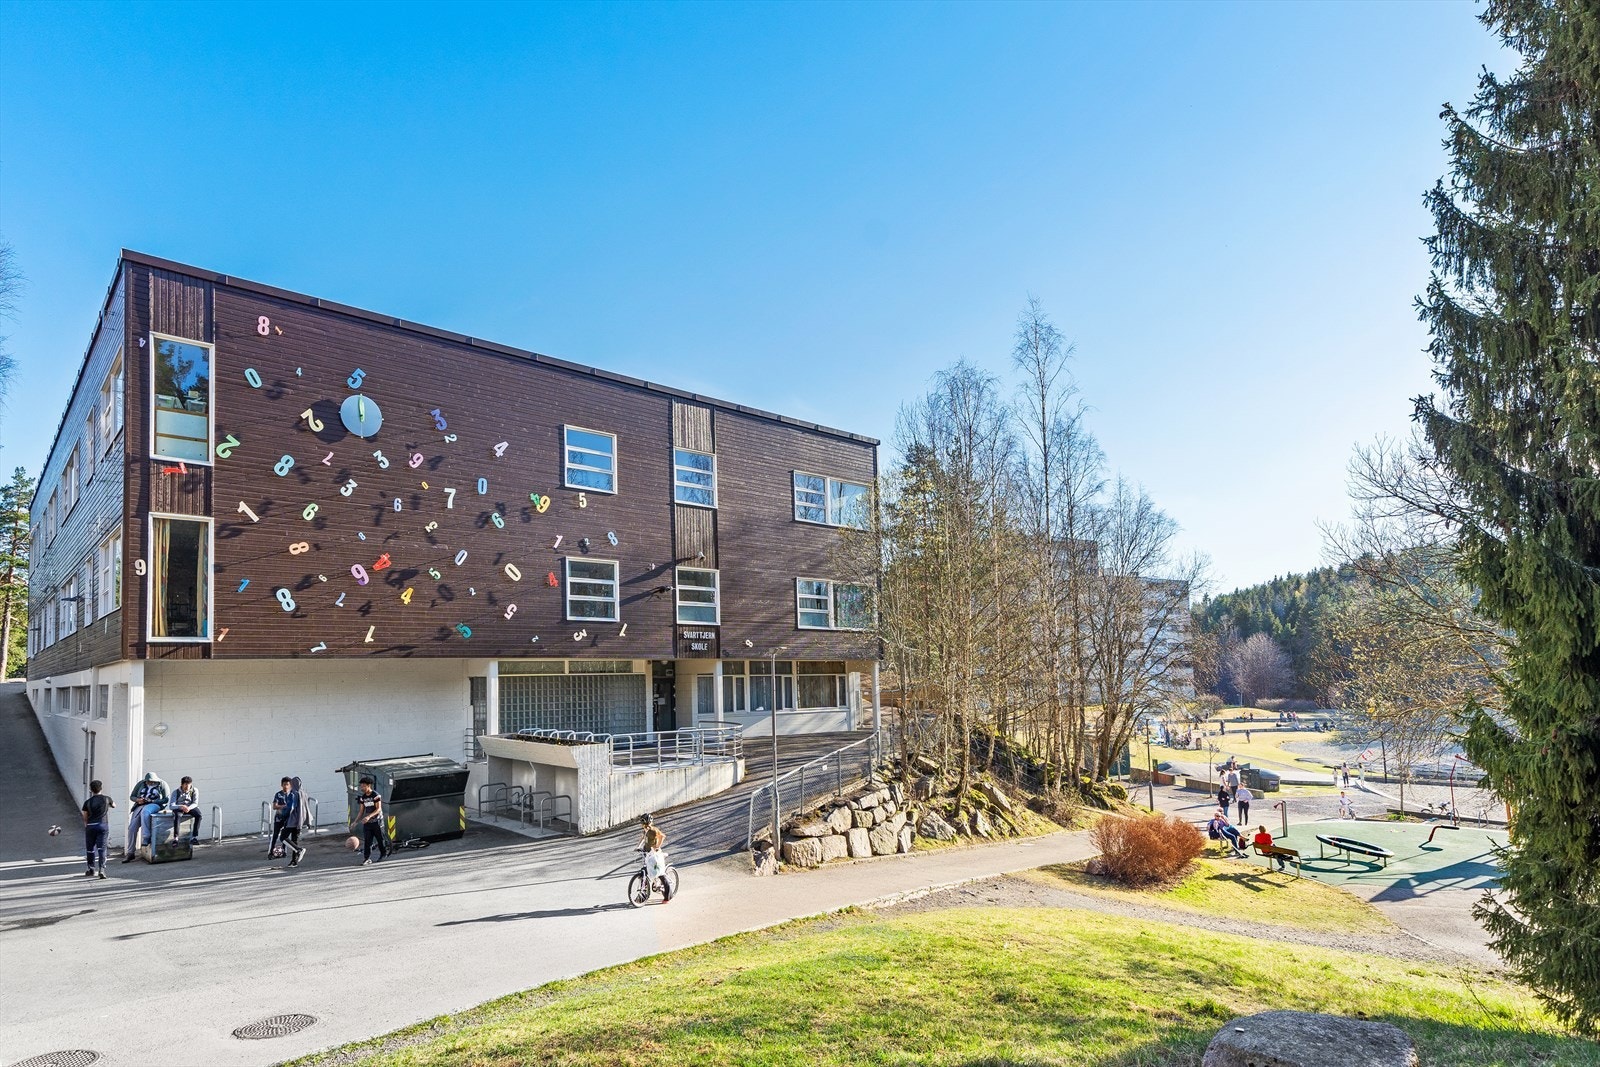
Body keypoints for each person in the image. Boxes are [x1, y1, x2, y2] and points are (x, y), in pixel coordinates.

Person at [124, 772, 168, 862]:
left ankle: (146, 837)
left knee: (146, 811)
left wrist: (153, 801)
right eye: (148, 782)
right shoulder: (141, 784)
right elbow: (132, 796)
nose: (150, 783)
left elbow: (166, 799)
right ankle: (130, 853)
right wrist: (137, 800)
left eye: (152, 782)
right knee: (132, 828)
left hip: (154, 805)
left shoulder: (162, 784)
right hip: (140, 805)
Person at [82, 779, 114, 878]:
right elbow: (114, 805)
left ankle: (91, 869)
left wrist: (86, 824)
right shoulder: (106, 799)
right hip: (103, 825)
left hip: (91, 826)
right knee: (102, 848)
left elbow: (85, 815)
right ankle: (102, 869)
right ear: (101, 788)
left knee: (90, 849)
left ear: (91, 789)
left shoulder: (87, 802)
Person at [353, 777, 388, 866]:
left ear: (369, 786)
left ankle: (383, 854)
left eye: (363, 786)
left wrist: (368, 816)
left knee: (380, 839)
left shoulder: (376, 795)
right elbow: (361, 811)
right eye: (361, 786)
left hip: (377, 821)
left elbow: (378, 809)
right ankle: (367, 858)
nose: (362, 788)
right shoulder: (363, 798)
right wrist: (355, 822)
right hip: (368, 823)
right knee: (367, 841)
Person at [639, 812, 671, 901]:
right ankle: (642, 896)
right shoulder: (645, 830)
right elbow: (643, 837)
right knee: (644, 873)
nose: (644, 825)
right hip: (647, 853)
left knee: (660, 873)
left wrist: (658, 847)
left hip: (654, 853)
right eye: (643, 823)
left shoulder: (653, 830)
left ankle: (668, 897)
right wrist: (638, 846)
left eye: (645, 823)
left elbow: (662, 836)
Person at [279, 776, 310, 867]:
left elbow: (290, 808)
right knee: (294, 840)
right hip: (299, 820)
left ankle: (298, 849)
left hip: (292, 820)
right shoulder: (304, 793)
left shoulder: (293, 794)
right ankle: (294, 861)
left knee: (283, 837)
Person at [170, 776, 202, 846]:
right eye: (185, 786)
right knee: (177, 816)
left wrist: (189, 808)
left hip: (190, 806)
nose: (187, 788)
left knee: (199, 815)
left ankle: (194, 837)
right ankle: (176, 838)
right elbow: (171, 806)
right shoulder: (175, 792)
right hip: (179, 807)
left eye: (189, 785)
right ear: (182, 784)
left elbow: (195, 803)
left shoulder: (194, 790)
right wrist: (180, 806)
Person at [268, 777, 292, 857]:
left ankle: (284, 851)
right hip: (279, 818)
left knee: (285, 836)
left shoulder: (292, 795)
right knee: (275, 835)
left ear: (290, 785)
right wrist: (284, 806)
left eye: (287, 784)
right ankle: (270, 852)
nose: (286, 786)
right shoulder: (278, 794)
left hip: (287, 818)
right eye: (284, 784)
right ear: (281, 785)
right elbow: (274, 806)